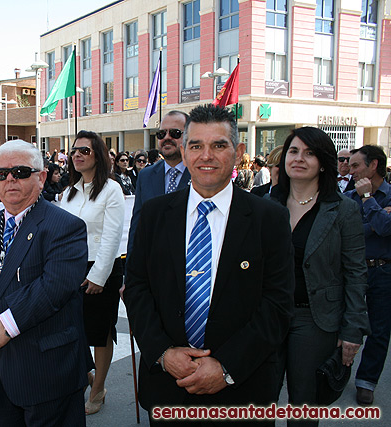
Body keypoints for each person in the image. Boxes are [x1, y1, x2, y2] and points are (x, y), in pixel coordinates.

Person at [124, 104, 294, 423]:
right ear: (184, 152)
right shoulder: (154, 215)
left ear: (238, 151)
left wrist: (226, 366)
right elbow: (136, 287)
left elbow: (278, 304)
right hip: (168, 387)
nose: (207, 156)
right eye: (196, 145)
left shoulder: (268, 218)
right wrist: (162, 352)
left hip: (242, 390)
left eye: (219, 145)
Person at [0, 139, 90, 426]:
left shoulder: (65, 227)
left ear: (41, 178)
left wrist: (5, 325)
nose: (10, 179)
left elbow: (54, 288)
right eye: (2, 173)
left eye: (21, 172)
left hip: (46, 373)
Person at [269, 127, 368, 425]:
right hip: (268, 316)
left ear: (323, 162)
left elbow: (355, 272)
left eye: (310, 153)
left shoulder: (343, 210)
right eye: (294, 151)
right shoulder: (264, 205)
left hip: (315, 319)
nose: (300, 159)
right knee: (259, 400)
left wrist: (352, 331)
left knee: (303, 407)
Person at [59, 130, 125, 415]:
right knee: (74, 330)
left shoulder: (112, 190)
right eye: (74, 150)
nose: (77, 155)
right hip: (71, 268)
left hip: (102, 267)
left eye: (84, 150)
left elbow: (112, 236)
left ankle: (97, 389)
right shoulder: (68, 192)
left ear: (97, 154)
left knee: (100, 333)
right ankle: (89, 376)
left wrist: (99, 276)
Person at [347, 145, 391, 406]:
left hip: (383, 271)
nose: (350, 171)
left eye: (355, 166)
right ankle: (335, 373)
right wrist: (376, 222)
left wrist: (368, 200)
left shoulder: (382, 195)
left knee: (379, 330)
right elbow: (347, 232)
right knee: (342, 323)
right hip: (352, 269)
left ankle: (366, 382)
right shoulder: (348, 196)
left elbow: (385, 229)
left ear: (373, 165)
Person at [127, 111, 191, 256]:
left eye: (175, 133)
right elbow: (137, 225)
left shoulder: (200, 174)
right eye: (162, 134)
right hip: (152, 264)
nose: (167, 138)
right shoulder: (146, 175)